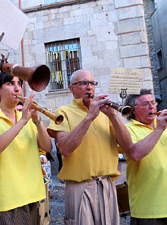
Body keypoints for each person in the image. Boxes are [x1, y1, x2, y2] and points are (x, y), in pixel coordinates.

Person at [47, 69, 132, 225]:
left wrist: (113, 115)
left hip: (107, 185)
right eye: (83, 83)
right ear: (72, 88)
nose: (89, 87)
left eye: (92, 83)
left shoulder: (106, 115)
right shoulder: (63, 113)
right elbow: (65, 149)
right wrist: (89, 117)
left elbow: (128, 146)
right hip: (80, 188)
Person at [0, 72, 52, 225]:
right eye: (10, 83)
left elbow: (47, 147)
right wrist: (23, 121)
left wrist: (37, 120)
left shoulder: (26, 118)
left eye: (19, 84)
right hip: (4, 198)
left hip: (31, 194)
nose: (17, 89)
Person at [123, 89, 167, 225]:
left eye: (153, 102)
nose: (152, 107)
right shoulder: (127, 129)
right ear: (134, 110)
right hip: (149, 207)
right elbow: (136, 154)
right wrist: (159, 129)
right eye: (146, 104)